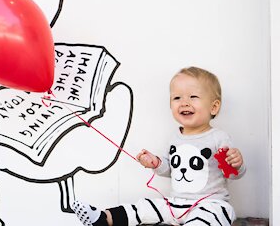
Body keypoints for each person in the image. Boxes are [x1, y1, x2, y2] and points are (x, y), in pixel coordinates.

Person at [71, 66, 246, 226]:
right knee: (146, 206)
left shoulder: (218, 138)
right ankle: (104, 218)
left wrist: (237, 164)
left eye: (193, 97)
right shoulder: (175, 138)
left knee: (208, 218)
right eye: (177, 98)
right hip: (176, 204)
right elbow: (170, 169)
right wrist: (155, 162)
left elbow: (233, 174)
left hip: (211, 204)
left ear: (214, 107)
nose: (184, 102)